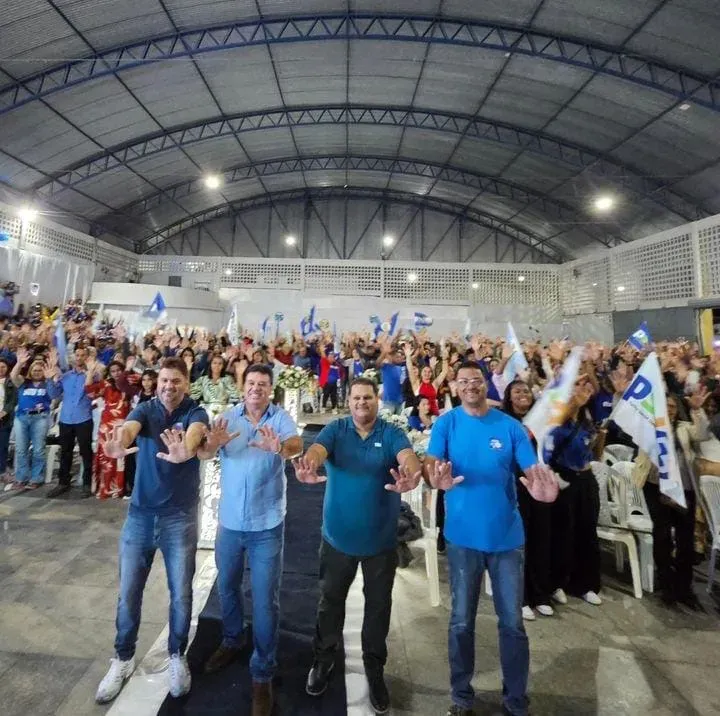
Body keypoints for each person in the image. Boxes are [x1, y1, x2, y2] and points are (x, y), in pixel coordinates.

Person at [424, 362, 559, 716]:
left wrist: (544, 490)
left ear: (486, 386)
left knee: (512, 624)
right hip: (462, 539)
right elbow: (431, 462)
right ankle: (460, 696)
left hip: (506, 540)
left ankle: (515, 699)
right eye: (464, 381)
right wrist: (433, 477)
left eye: (476, 381)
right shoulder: (447, 423)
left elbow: (532, 470)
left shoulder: (511, 428)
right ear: (455, 387)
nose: (471, 386)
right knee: (461, 621)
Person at [293, 377, 422, 715]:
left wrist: (412, 473)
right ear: (348, 401)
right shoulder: (336, 430)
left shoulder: (390, 432)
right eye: (356, 398)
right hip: (337, 538)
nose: (362, 403)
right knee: (330, 603)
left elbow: (407, 456)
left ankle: (375, 670)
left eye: (368, 397)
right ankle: (323, 661)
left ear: (377, 400)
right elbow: (318, 450)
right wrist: (310, 462)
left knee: (378, 608)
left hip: (380, 542)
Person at [94, 357, 210, 704]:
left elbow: (194, 436)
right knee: (128, 593)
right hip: (140, 517)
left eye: (175, 381)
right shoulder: (145, 409)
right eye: (163, 380)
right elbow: (129, 427)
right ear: (156, 382)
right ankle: (123, 658)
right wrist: (119, 443)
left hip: (179, 518)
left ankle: (177, 656)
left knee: (181, 594)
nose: (168, 386)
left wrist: (184, 451)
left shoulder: (195, 411)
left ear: (186, 384)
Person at [198, 363, 303, 716]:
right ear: (243, 387)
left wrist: (280, 449)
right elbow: (207, 452)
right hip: (229, 522)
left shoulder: (280, 418)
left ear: (270, 389)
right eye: (251, 383)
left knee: (264, 600)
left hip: (266, 525)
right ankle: (231, 638)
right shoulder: (228, 418)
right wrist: (210, 446)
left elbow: (295, 444)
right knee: (226, 586)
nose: (257, 389)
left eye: (263, 384)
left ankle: (262, 673)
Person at [634, 389, 710, 609]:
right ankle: (666, 584)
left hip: (683, 491)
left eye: (672, 407)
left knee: (686, 542)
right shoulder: (649, 428)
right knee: (663, 536)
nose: (669, 410)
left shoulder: (685, 429)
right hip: (656, 488)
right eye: (664, 406)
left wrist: (697, 410)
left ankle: (684, 588)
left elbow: (702, 433)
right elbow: (631, 422)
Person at [544, 378, 605, 607]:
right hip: (564, 477)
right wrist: (573, 404)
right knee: (563, 531)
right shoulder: (558, 415)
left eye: (588, 389)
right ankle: (557, 582)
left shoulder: (588, 418)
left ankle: (586, 584)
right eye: (580, 386)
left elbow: (594, 453)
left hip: (586, 478)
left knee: (587, 531)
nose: (584, 391)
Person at [502, 379, 554, 621]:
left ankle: (541, 594)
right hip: (516, 486)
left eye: (526, 390)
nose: (523, 394)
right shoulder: (504, 422)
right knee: (519, 543)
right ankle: (520, 597)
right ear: (509, 397)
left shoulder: (543, 421)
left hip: (541, 486)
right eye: (517, 391)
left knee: (542, 539)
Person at [85, 359, 139, 499]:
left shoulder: (130, 381)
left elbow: (137, 389)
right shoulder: (106, 384)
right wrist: (90, 373)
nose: (116, 373)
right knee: (107, 458)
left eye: (118, 370)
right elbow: (89, 391)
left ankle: (120, 488)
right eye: (113, 371)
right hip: (107, 426)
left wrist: (128, 371)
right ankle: (105, 487)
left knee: (122, 457)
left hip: (124, 425)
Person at [46, 345, 95, 498]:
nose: (79, 358)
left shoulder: (93, 375)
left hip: (83, 418)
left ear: (87, 358)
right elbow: (54, 394)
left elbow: (93, 393)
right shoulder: (66, 376)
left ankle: (87, 484)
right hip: (66, 419)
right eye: (77, 355)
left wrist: (90, 374)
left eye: (82, 355)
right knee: (65, 452)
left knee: (85, 452)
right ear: (73, 357)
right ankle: (63, 482)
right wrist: (49, 378)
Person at [8, 349, 52, 489]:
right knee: (21, 449)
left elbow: (55, 396)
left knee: (38, 449)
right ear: (30, 371)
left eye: (40, 370)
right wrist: (20, 363)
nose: (37, 372)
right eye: (35, 370)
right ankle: (21, 477)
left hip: (40, 418)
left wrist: (51, 376)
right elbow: (13, 375)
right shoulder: (23, 382)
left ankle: (36, 478)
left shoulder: (47, 384)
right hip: (22, 418)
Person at [0, 357, 17, 482]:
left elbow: (13, 401)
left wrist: (4, 412)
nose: (1, 369)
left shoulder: (11, 382)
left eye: (3, 367)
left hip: (4, 419)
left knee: (2, 447)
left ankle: (1, 472)